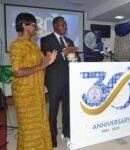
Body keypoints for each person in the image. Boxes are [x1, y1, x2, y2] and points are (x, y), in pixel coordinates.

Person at [9, 12, 57, 150]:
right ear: (24, 25)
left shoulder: (34, 46)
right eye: (34, 25)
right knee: (28, 128)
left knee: (40, 124)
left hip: (37, 91)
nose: (36, 28)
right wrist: (42, 65)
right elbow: (17, 72)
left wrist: (47, 61)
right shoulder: (16, 45)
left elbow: (39, 67)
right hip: (25, 95)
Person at [40, 16, 77, 147]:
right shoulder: (45, 40)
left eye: (66, 25)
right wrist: (63, 53)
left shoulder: (69, 40)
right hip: (54, 80)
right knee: (53, 109)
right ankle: (52, 136)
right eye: (63, 25)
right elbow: (48, 60)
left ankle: (67, 132)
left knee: (67, 107)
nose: (65, 27)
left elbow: (72, 59)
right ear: (55, 25)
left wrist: (73, 57)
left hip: (68, 79)